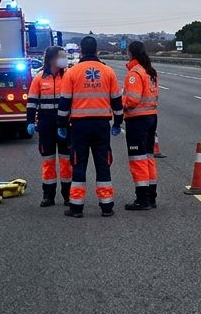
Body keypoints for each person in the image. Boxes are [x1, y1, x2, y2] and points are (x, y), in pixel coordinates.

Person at [56, 35, 123, 218]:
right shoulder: (108, 71)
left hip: (79, 126)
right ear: (96, 50)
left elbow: (64, 104)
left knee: (78, 164)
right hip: (101, 125)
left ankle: (76, 207)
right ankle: (107, 206)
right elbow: (117, 101)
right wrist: (118, 123)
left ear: (80, 49)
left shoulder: (72, 72)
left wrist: (61, 125)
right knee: (103, 164)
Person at [27, 45, 72, 207]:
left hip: (65, 124)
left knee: (66, 161)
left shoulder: (69, 76)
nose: (64, 59)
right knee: (48, 161)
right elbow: (32, 102)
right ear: (52, 59)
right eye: (62, 56)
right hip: (46, 125)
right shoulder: (40, 78)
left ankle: (67, 194)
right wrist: (30, 121)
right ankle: (48, 195)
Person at [122, 41, 160, 211]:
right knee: (148, 157)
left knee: (138, 159)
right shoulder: (150, 71)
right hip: (151, 118)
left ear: (131, 54)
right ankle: (151, 196)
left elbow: (132, 100)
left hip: (137, 120)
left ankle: (142, 198)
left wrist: (117, 102)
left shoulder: (135, 73)